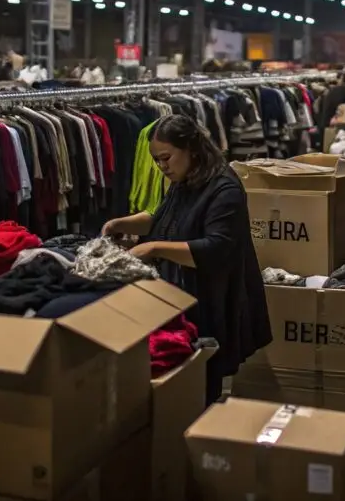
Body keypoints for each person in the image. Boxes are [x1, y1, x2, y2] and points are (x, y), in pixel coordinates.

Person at [102, 114, 272, 404]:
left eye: (166, 158)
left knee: (203, 384)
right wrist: (122, 224)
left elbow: (215, 249)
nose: (161, 166)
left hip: (212, 300)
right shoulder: (186, 179)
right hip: (187, 296)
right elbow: (164, 219)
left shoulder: (224, 189)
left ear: (191, 149)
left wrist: (155, 248)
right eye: (156, 160)